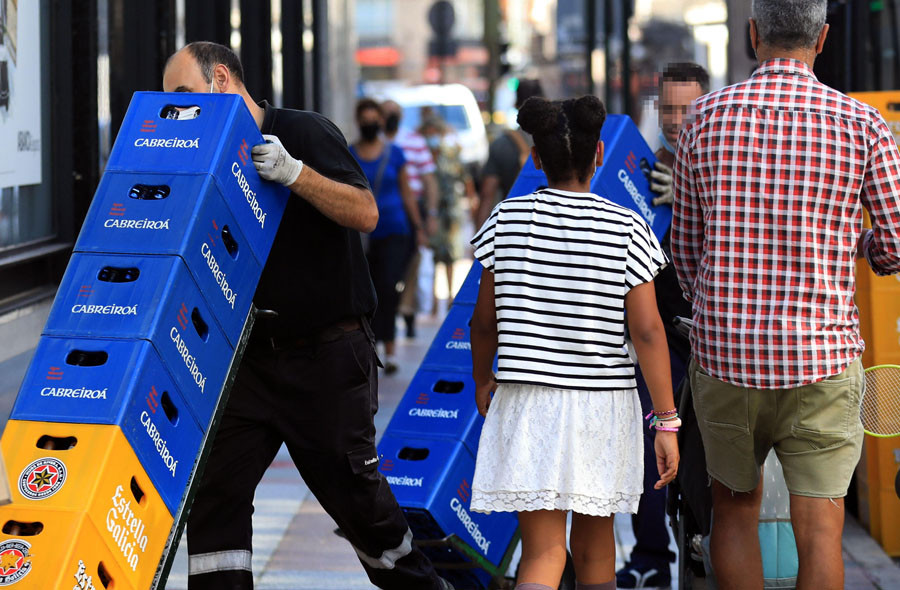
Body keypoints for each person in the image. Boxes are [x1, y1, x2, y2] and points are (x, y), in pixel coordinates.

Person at [162, 42, 453, 590]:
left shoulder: (303, 132)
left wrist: (294, 173)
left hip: (326, 358)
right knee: (216, 497)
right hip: (250, 362)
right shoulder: (205, 155)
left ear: (222, 79)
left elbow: (364, 212)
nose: (180, 110)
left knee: (358, 504)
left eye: (185, 94)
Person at [671, 1, 900, 588]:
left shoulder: (702, 118)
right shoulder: (862, 125)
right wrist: (854, 242)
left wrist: (724, 308)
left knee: (733, 513)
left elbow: (687, 249)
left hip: (726, 359)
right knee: (820, 528)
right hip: (821, 359)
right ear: (822, 39)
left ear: (753, 35)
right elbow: (896, 245)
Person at [469, 95, 680, 590]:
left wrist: (483, 378)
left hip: (527, 401)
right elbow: (647, 332)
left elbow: (483, 321)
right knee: (595, 549)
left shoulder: (506, 220)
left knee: (542, 555)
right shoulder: (627, 228)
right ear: (600, 152)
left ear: (536, 157)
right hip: (602, 408)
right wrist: (666, 419)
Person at [616, 62, 709, 590]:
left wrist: (691, 197)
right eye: (668, 108)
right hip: (658, 339)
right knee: (650, 449)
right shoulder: (639, 171)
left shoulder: (727, 165)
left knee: (704, 464)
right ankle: (652, 555)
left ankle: (698, 553)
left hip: (715, 341)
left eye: (687, 107)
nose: (677, 120)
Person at [350, 98, 426, 374]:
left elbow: (407, 192)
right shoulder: (349, 153)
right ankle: (372, 346)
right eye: (365, 118)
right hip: (360, 234)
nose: (370, 124)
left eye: (375, 119)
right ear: (358, 121)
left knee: (388, 287)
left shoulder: (395, 154)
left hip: (395, 229)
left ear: (381, 122)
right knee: (365, 291)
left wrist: (418, 226)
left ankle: (390, 348)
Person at [382, 99, 439, 337]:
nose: (391, 116)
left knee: (412, 263)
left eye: (394, 113)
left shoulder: (414, 142)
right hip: (386, 212)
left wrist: (432, 213)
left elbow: (429, 179)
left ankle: (408, 313)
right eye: (387, 113)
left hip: (412, 209)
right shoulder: (373, 143)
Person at [419, 114, 473, 313]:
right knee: (434, 255)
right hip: (431, 210)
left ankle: (450, 296)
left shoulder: (451, 154)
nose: (433, 137)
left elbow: (464, 178)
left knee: (451, 254)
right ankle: (434, 300)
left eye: (436, 133)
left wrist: (471, 200)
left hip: (451, 210)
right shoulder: (422, 155)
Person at [475, 79, 544, 227]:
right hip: (550, 227)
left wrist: (478, 241)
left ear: (516, 105)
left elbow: (487, 194)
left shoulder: (501, 145)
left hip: (513, 226)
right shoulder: (558, 141)